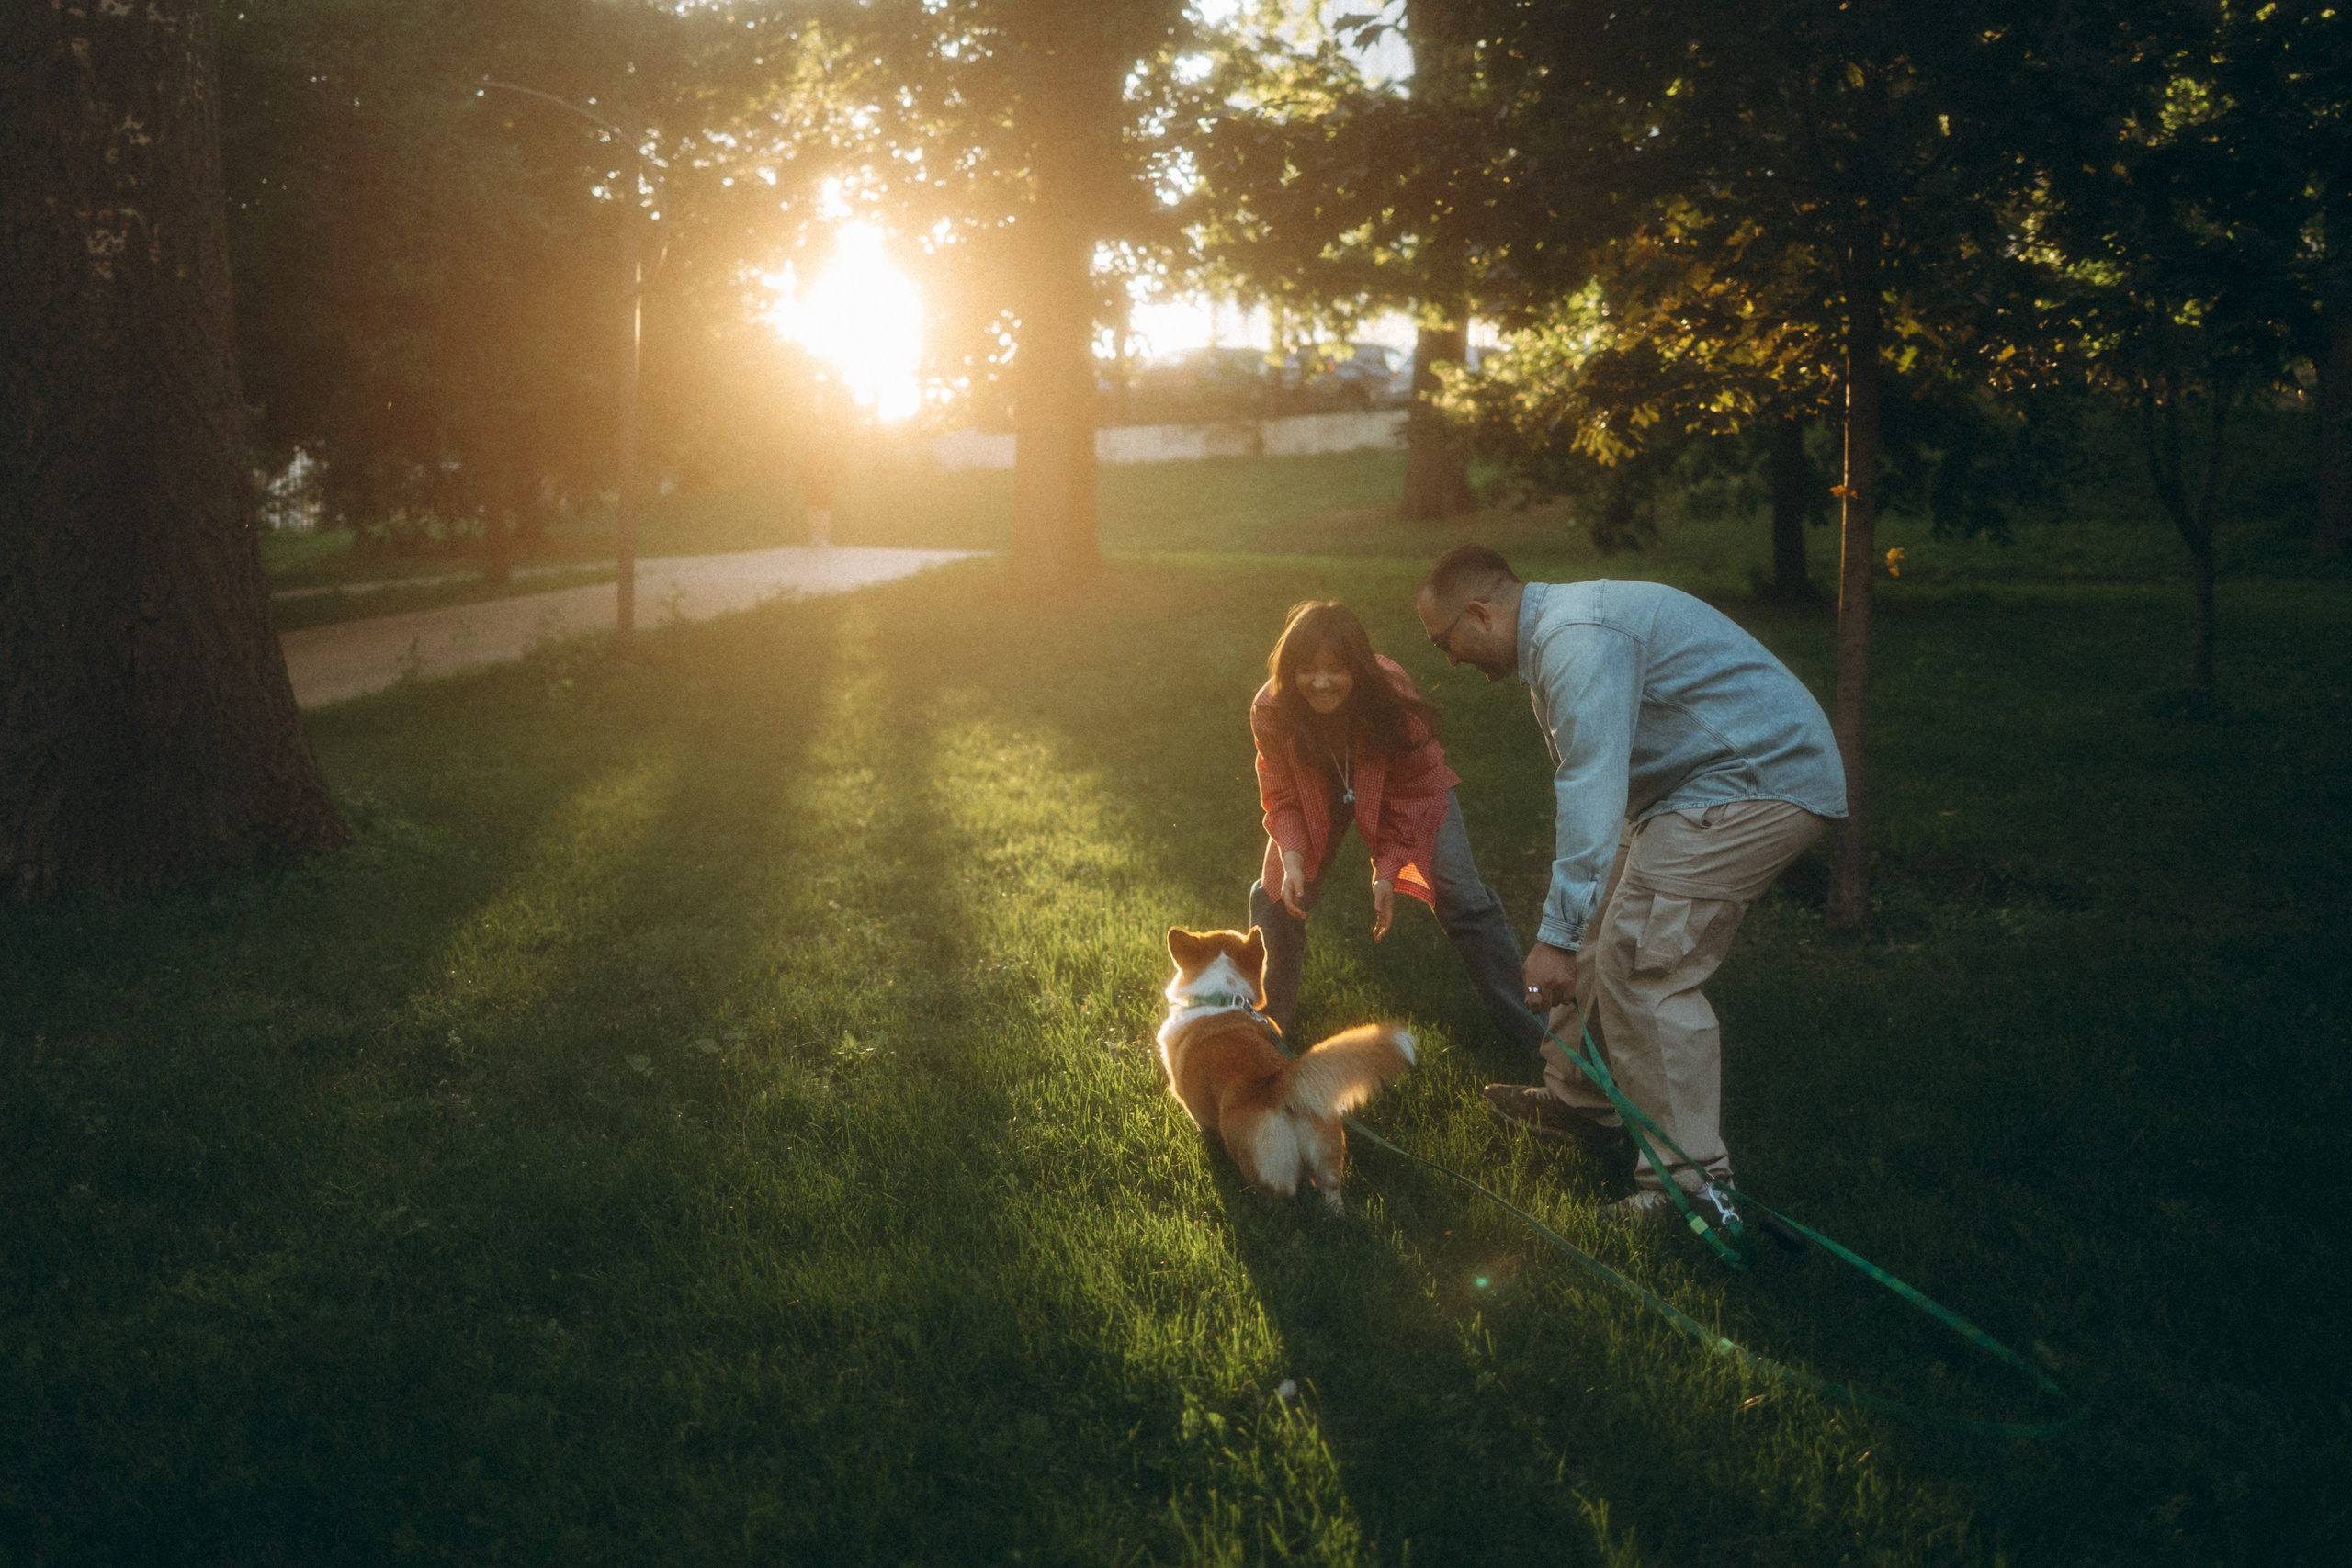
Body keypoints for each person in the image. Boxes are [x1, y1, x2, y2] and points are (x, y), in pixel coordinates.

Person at [1413, 546, 1847, 1226]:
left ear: (1480, 613)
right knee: (1593, 925)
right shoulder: (1559, 636)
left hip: (1757, 782)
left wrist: (1553, 939)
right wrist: (1569, 927)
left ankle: (1692, 1185)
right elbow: (1602, 793)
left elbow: (1590, 787)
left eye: (1447, 641)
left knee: (1643, 963)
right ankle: (1581, 1105)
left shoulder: (1574, 641)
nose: (1450, 661)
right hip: (1685, 787)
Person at [1248, 601, 1545, 1057]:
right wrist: (1292, 860)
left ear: (1359, 669)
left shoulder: (1393, 702)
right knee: (1275, 895)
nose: (1320, 682)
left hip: (1404, 786)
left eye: (1335, 669)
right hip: (1316, 784)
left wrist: (1386, 872)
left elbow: (1414, 794)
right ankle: (1267, 1031)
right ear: (1290, 670)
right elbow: (1282, 795)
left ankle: (1535, 1035)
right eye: (1307, 669)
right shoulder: (1273, 706)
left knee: (1461, 895)